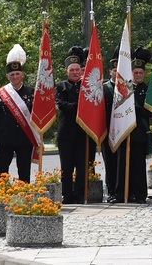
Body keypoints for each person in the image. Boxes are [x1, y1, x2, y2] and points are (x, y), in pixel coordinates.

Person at [0, 44, 37, 182]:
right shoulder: (0, 93)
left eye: (17, 74)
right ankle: (1, 195)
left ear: (22, 74)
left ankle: (24, 195)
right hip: (4, 140)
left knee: (24, 174)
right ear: (7, 76)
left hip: (24, 139)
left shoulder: (31, 92)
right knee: (1, 175)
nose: (15, 76)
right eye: (12, 74)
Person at [56, 46, 94, 203]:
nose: (75, 72)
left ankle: (79, 194)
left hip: (83, 132)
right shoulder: (61, 86)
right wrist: (80, 105)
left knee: (82, 166)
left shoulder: (88, 86)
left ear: (81, 71)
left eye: (77, 70)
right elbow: (62, 105)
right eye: (71, 70)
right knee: (66, 166)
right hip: (66, 133)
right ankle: (67, 194)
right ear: (67, 72)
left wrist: (78, 105)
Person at [117, 48, 150, 204]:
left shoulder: (148, 90)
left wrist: (135, 110)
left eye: (140, 73)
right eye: (135, 72)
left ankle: (140, 194)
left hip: (139, 132)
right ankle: (124, 194)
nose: (138, 75)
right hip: (124, 130)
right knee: (123, 165)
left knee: (138, 165)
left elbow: (149, 111)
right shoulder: (125, 88)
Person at [101, 53, 119, 202]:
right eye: (114, 70)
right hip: (106, 130)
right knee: (110, 162)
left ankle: (121, 191)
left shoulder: (127, 88)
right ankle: (111, 191)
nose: (116, 73)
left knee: (121, 163)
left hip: (122, 129)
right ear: (110, 72)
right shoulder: (103, 88)